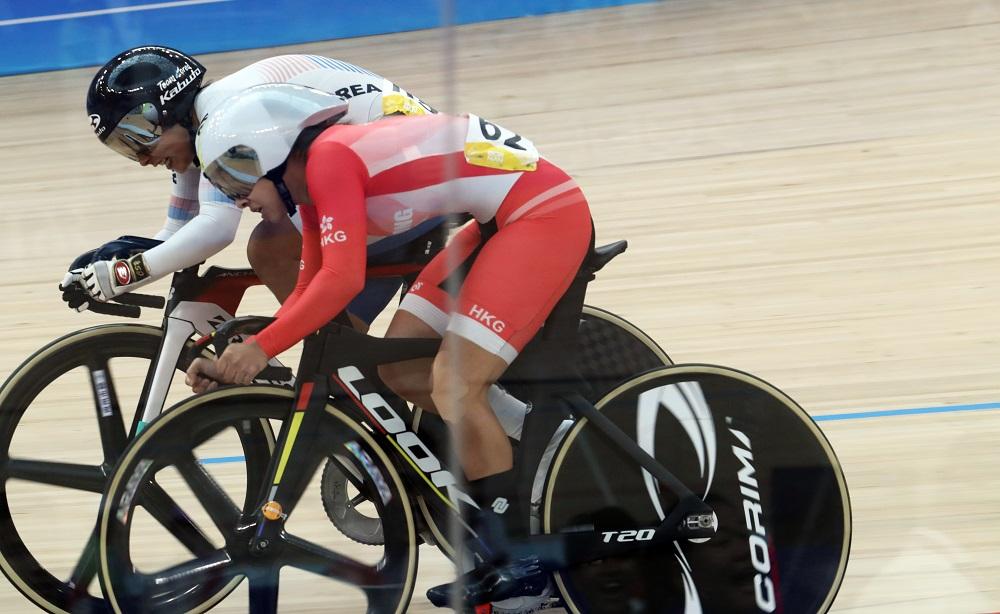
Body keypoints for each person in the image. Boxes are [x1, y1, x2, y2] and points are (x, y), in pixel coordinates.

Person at [185, 83, 593, 609]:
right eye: (220, 179)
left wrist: (261, 348)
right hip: (494, 222)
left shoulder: (330, 161)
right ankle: (546, 444)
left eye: (236, 172)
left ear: (275, 152)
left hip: (541, 214)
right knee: (402, 372)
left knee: (453, 383)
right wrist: (240, 353)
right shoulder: (310, 184)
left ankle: (524, 563)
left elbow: (343, 282)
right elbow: (313, 285)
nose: (232, 193)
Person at [64, 45, 444, 327]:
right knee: (365, 360)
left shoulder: (221, 119)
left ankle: (333, 366)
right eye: (125, 148)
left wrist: (123, 275)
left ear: (167, 109)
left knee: (270, 248)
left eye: (139, 138)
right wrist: (105, 261)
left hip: (415, 172)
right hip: (398, 174)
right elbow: (176, 236)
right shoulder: (201, 124)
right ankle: (345, 381)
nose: (142, 158)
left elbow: (215, 229)